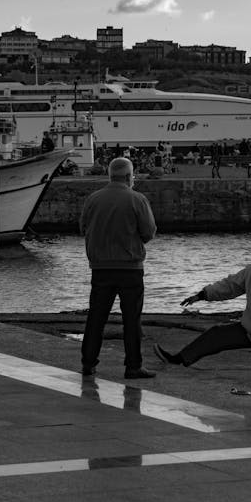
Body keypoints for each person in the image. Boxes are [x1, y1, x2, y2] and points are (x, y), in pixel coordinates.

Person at [154, 235, 251, 391]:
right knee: (215, 335)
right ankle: (178, 359)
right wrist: (202, 295)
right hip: (248, 331)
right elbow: (229, 286)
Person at [80, 157, 157, 379]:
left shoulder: (93, 199)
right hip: (130, 268)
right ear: (128, 176)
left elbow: (83, 226)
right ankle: (133, 366)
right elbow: (149, 232)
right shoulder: (137, 199)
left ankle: (88, 362)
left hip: (100, 268)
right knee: (131, 319)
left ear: (110, 175)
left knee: (96, 317)